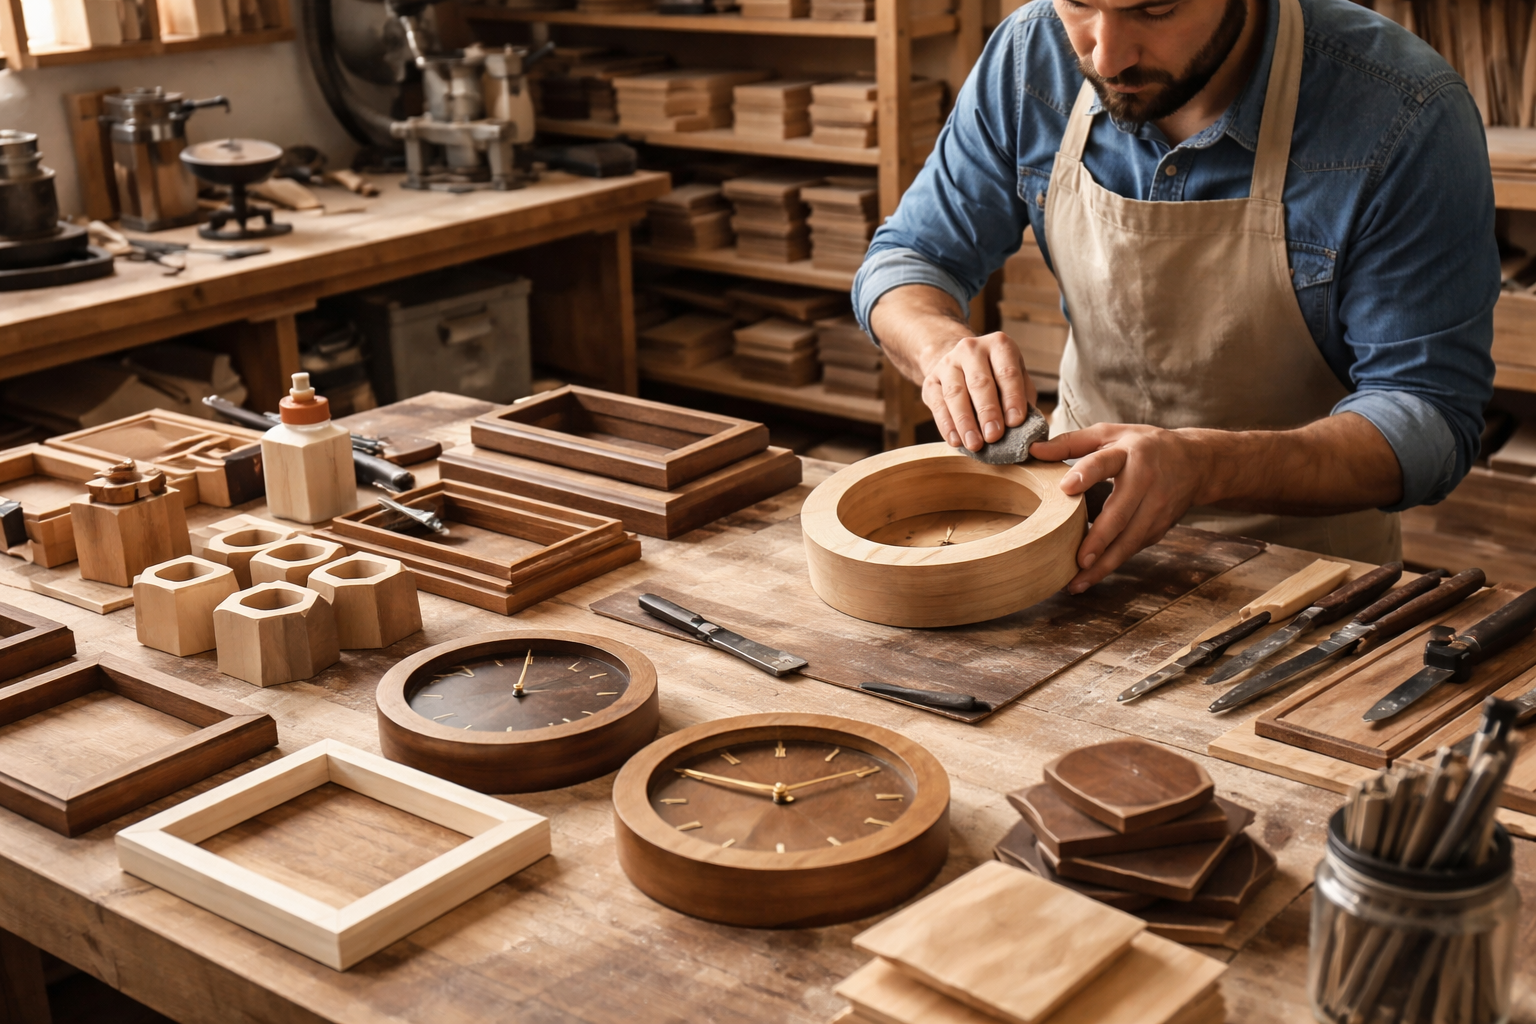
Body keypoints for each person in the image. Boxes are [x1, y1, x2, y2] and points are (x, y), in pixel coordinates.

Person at [853, 0, 1499, 594]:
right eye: (1080, 2)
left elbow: (1428, 417)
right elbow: (908, 259)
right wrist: (941, 349)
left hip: (1306, 591)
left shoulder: (1403, 110)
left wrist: (1210, 468)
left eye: (1154, 7)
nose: (1105, 57)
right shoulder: (1032, 57)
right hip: (1070, 549)